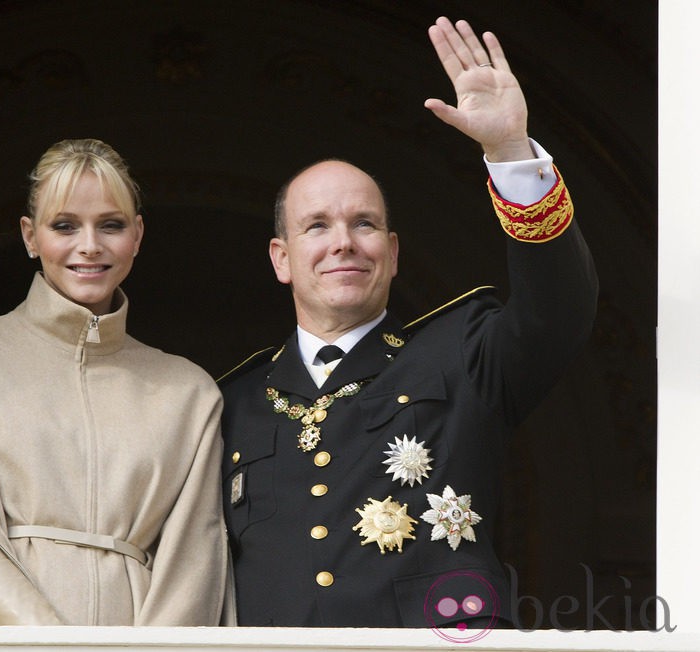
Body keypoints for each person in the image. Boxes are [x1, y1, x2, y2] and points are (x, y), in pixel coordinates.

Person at [218, 17, 598, 628]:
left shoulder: (463, 353)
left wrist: (509, 153)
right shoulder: (231, 404)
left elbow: (559, 311)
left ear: (393, 253)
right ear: (281, 259)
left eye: (363, 224)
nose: (343, 242)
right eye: (317, 226)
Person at [0, 138, 232, 625]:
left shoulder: (190, 392)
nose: (89, 245)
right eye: (65, 225)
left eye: (110, 225)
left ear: (137, 235)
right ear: (30, 236)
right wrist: (55, 645)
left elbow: (193, 560)